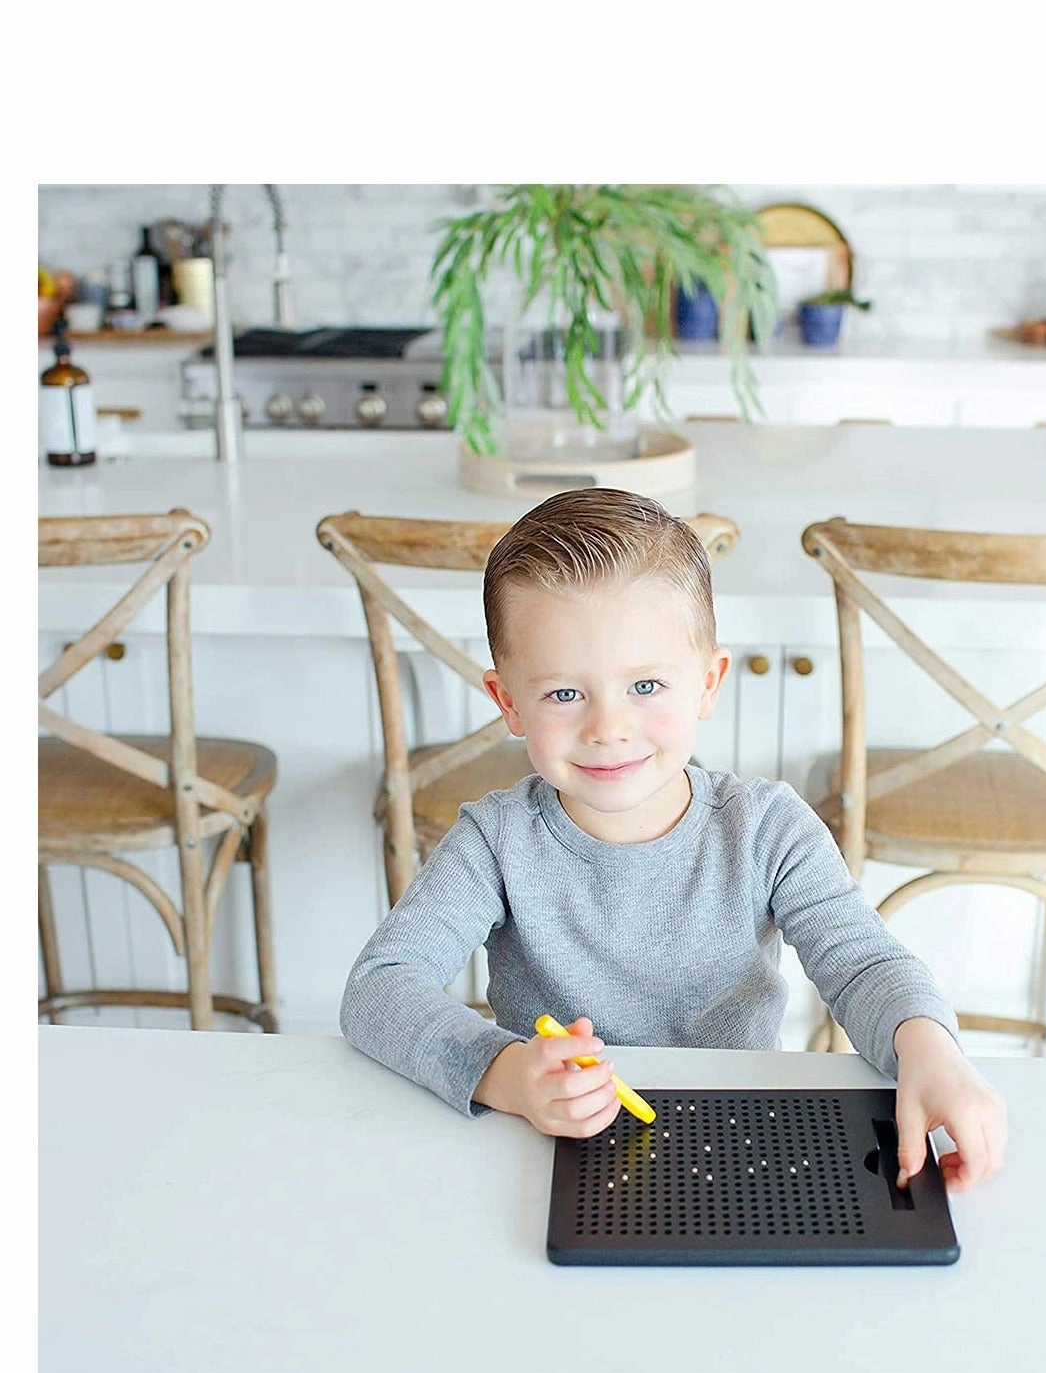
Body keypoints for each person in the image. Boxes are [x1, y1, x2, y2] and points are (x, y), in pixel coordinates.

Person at [340, 488, 1006, 1193]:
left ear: (708, 683)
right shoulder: (495, 841)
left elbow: (865, 965)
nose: (608, 728)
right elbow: (379, 989)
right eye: (565, 694)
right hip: (550, 1152)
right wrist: (503, 1073)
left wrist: (929, 1047)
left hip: (743, 1144)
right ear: (508, 702)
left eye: (646, 685)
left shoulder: (768, 829)